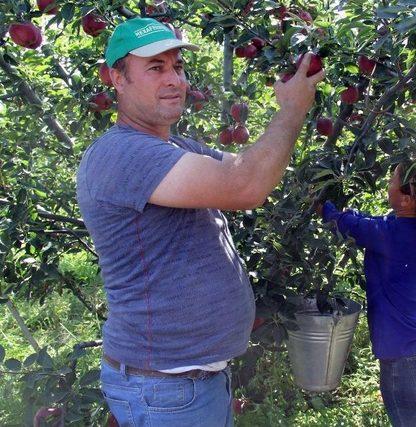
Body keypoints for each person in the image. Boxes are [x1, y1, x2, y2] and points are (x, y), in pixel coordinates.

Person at [75, 17, 324, 427]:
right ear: (116, 79)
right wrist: (293, 110)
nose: (174, 79)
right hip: (166, 392)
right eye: (156, 68)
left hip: (185, 386)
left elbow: (248, 168)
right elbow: (247, 185)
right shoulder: (122, 154)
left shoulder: (173, 147)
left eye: (177, 67)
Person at [316, 159, 416, 426]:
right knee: (414, 418)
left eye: (392, 182)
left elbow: (347, 224)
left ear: (407, 199)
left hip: (405, 358)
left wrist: (323, 206)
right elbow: (372, 222)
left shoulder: (391, 235)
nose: (388, 186)